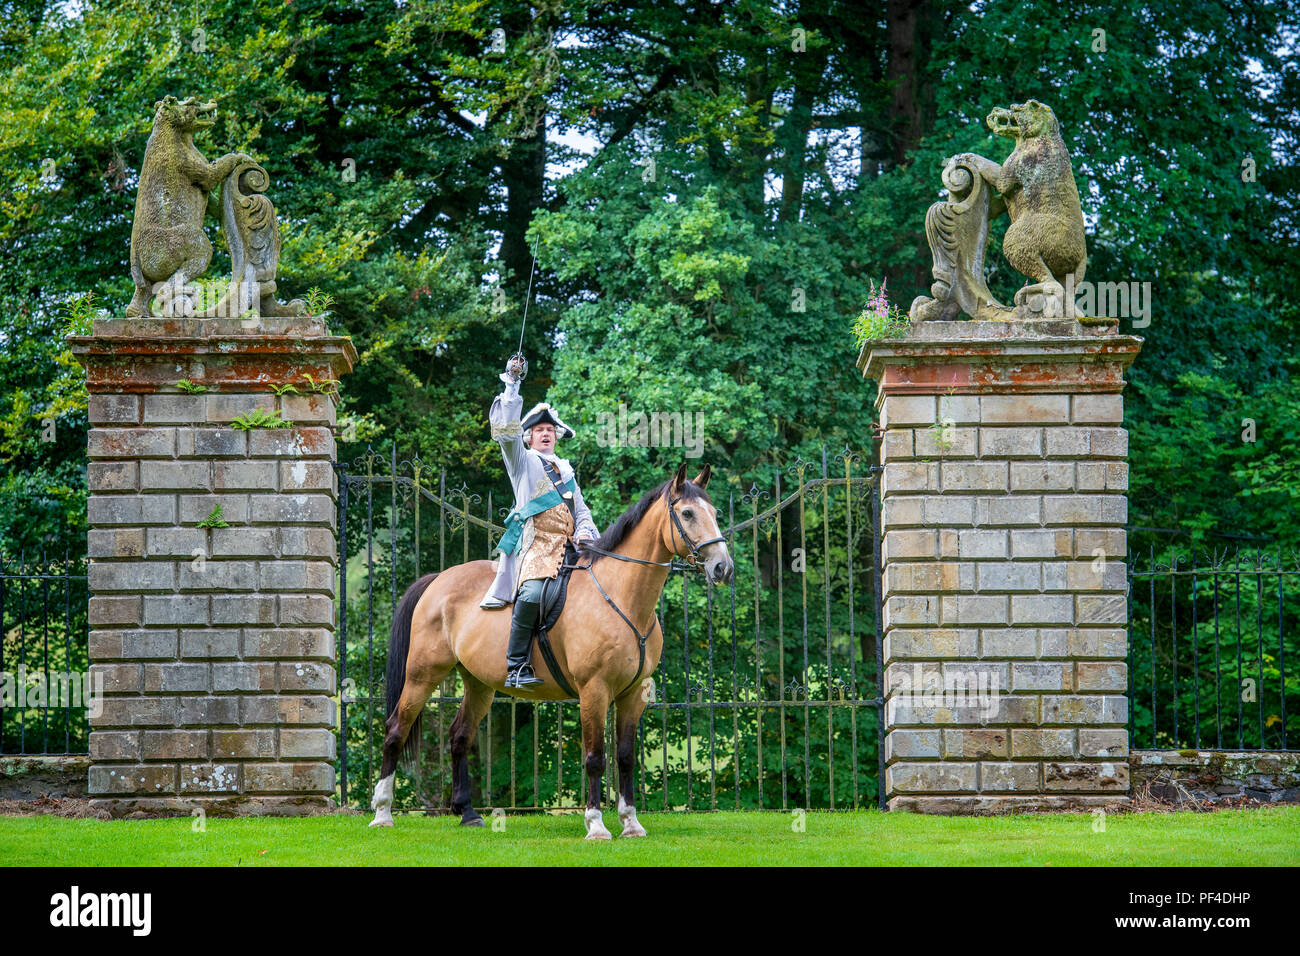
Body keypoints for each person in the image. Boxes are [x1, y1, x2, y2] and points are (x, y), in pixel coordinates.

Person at [480, 355, 599, 688]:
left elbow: (582, 511)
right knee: (532, 595)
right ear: (529, 437)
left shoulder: (566, 471)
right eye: (539, 430)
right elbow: (505, 434)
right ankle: (517, 666)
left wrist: (587, 530)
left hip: (571, 548)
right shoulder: (523, 461)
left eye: (550, 430)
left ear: (556, 437)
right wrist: (513, 384)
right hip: (535, 547)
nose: (545, 434)